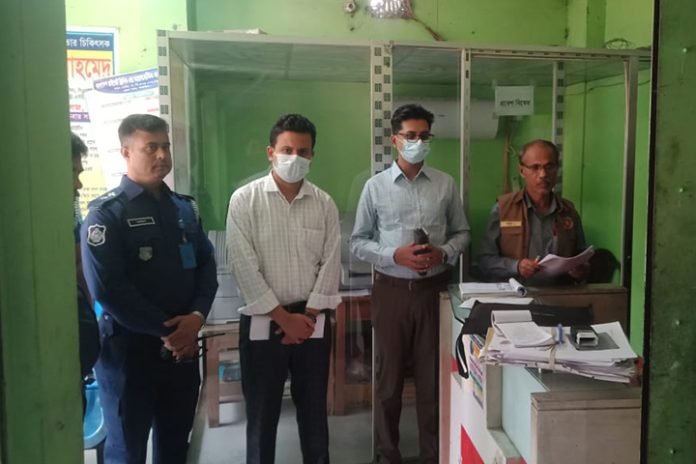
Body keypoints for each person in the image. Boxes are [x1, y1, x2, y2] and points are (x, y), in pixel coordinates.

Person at [80, 114, 218, 464]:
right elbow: (109, 289)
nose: (162, 155)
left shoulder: (184, 209)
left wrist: (197, 317)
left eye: (166, 147)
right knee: (127, 451)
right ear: (126, 152)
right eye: (151, 147)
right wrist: (169, 331)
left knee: (175, 446)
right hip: (129, 355)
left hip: (181, 353)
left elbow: (207, 266)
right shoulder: (106, 215)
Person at [350, 104, 471, 464]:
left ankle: (433, 455)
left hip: (434, 293)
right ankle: (387, 456)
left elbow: (463, 232)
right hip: (391, 292)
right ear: (395, 140)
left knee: (433, 382)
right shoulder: (375, 187)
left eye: (424, 135)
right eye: (411, 135)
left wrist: (443, 252)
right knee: (388, 383)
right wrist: (394, 255)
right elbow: (357, 242)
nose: (418, 141)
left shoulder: (445, 184)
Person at [226, 114, 341, 464]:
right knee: (262, 416)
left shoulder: (324, 203)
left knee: (314, 414)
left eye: (303, 152)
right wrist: (283, 318)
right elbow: (243, 266)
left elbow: (331, 262)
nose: (295, 157)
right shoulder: (245, 200)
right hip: (264, 322)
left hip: (312, 321)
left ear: (312, 155)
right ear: (270, 152)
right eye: (287, 150)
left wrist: (306, 316)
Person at [478, 139, 589, 285]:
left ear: (557, 169)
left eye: (549, 167)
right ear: (522, 171)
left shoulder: (568, 211)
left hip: (559, 293)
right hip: (516, 292)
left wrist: (581, 270)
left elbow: (582, 255)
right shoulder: (503, 209)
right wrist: (516, 266)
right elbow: (484, 261)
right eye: (535, 167)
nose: (543, 174)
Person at [71, 132, 100, 414]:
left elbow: (80, 267)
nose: (78, 184)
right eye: (72, 172)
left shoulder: (70, 210)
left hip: (76, 364)